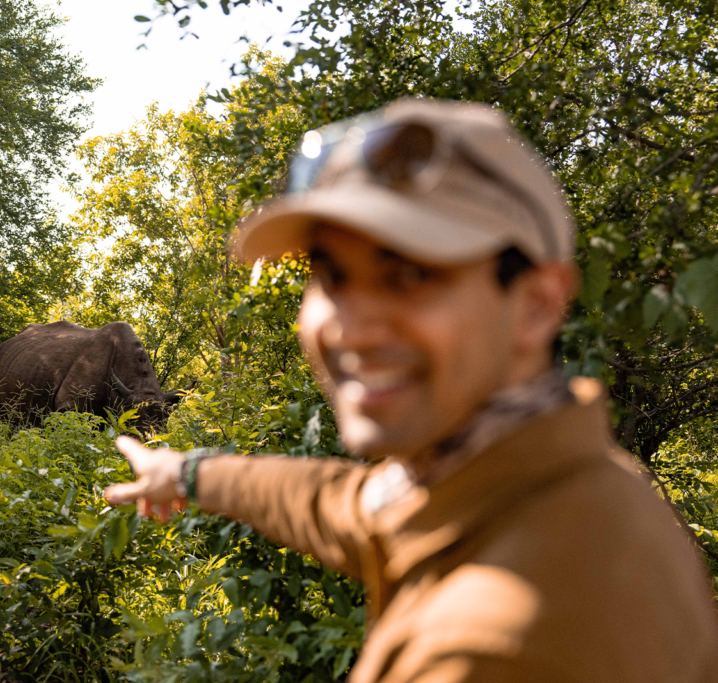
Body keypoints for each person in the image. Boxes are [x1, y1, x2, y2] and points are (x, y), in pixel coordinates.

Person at [103, 98, 718, 682]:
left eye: (409, 274)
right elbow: (341, 505)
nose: (350, 327)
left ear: (536, 304)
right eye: (332, 276)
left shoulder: (495, 647)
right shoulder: (523, 483)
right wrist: (184, 473)